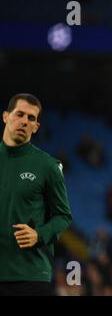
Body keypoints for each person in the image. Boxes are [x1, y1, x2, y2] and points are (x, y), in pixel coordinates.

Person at [0, 93, 72, 295]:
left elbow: (63, 216)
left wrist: (39, 235)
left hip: (29, 276)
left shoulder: (47, 166)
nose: (24, 121)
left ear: (36, 127)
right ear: (5, 116)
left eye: (31, 118)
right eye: (19, 114)